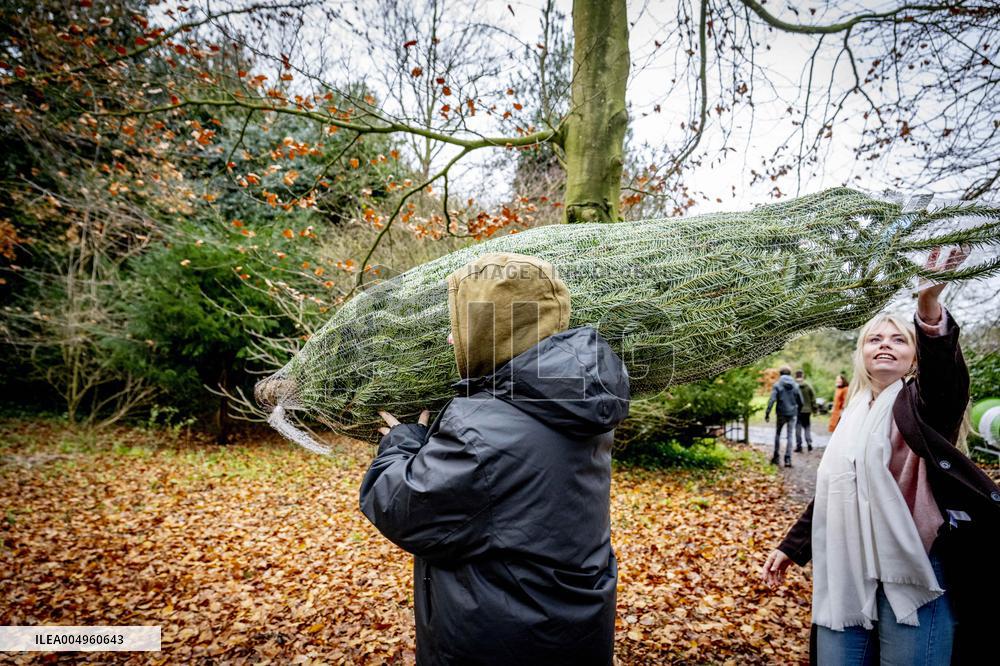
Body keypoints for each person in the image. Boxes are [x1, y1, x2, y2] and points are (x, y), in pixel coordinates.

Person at [359, 252, 630, 666]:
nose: (452, 339)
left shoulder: (485, 427)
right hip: (570, 627)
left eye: (461, 324)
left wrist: (401, 442)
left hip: (503, 640)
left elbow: (404, 506)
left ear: (494, 329)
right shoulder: (578, 394)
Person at [761, 246, 1000, 664]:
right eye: (874, 339)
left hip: (915, 568)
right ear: (863, 355)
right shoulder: (854, 415)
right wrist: (792, 547)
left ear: (913, 355)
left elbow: (945, 378)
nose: (885, 345)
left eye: (897, 339)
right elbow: (839, 490)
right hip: (846, 570)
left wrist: (927, 306)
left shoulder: (922, 405)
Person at [765, 365, 804, 467]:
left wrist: (767, 413)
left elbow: (772, 400)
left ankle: (776, 457)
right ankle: (788, 459)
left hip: (781, 413)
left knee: (778, 434)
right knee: (790, 436)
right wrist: (797, 410)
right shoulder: (796, 385)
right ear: (790, 374)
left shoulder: (777, 385)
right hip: (792, 414)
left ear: (780, 374)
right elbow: (801, 401)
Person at [794, 369, 817, 452]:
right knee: (807, 427)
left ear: (795, 376)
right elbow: (813, 399)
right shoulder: (808, 386)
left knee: (798, 427)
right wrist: (814, 410)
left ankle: (799, 446)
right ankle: (809, 443)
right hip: (807, 411)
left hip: (797, 410)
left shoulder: (794, 386)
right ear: (802, 376)